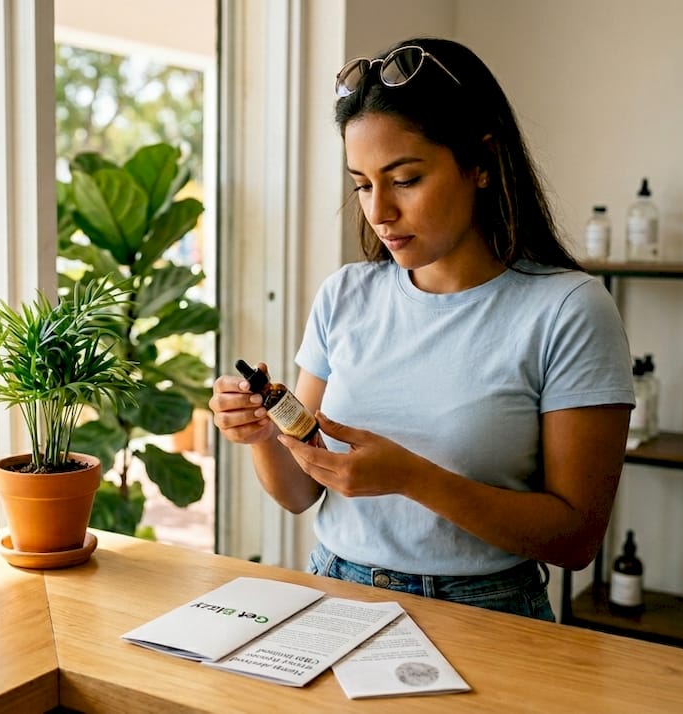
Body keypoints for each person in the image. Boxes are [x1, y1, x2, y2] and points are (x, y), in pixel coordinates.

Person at [208, 37, 634, 622]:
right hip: (337, 591)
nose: (378, 210)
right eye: (362, 184)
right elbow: (303, 492)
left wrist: (412, 478)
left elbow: (576, 539)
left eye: (404, 179)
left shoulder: (568, 310)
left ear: (481, 163)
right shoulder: (345, 295)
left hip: (487, 613)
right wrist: (260, 434)